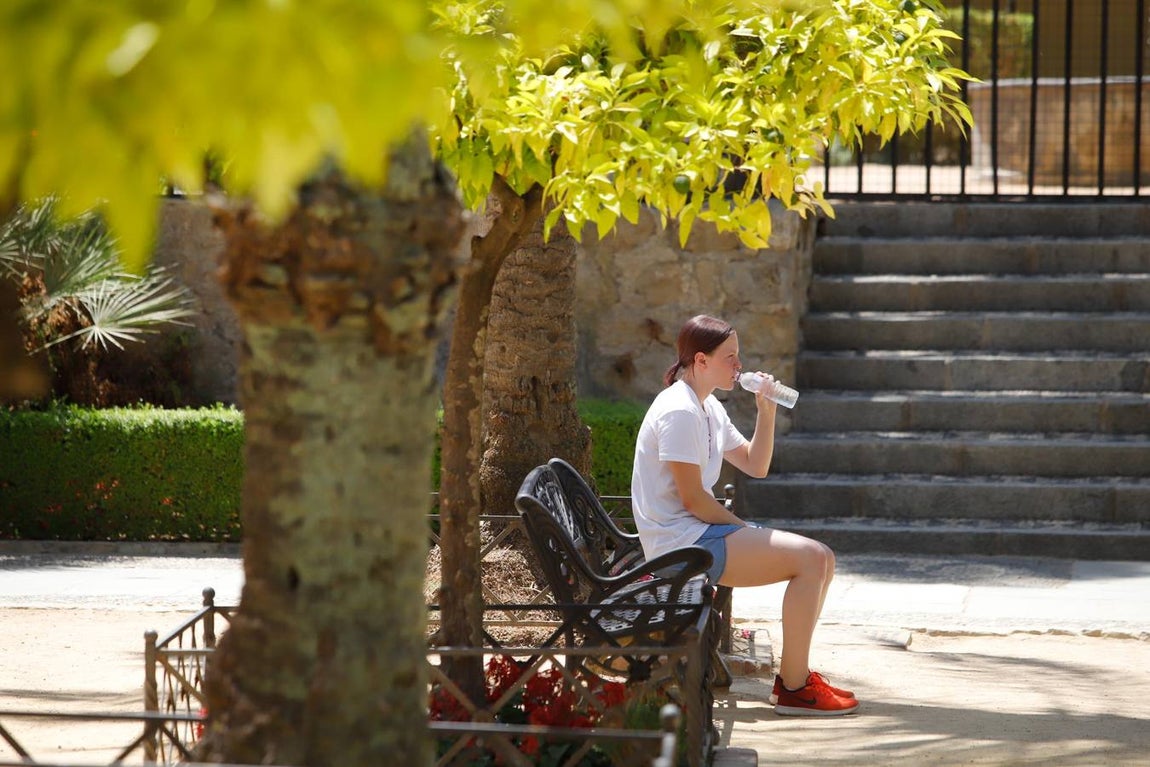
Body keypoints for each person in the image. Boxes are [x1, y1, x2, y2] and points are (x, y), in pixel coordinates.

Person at [630, 314, 858, 716]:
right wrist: (747, 529)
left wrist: (766, 411)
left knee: (823, 557)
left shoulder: (708, 407)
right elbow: (693, 501)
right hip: (681, 546)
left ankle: (795, 681)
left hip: (698, 534)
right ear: (701, 361)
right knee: (812, 558)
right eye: (730, 357)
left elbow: (756, 465)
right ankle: (794, 687)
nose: (739, 365)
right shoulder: (679, 411)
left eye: (738, 356)